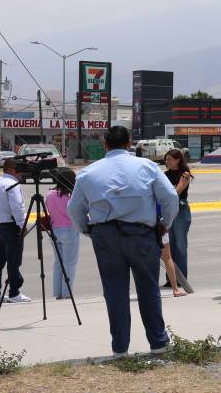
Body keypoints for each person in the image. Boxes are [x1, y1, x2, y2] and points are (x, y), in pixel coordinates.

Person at [67, 126, 178, 355]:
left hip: (105, 236)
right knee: (148, 289)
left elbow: (74, 209)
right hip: (141, 234)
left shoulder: (88, 172)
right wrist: (164, 222)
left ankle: (119, 348)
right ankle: (158, 343)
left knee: (115, 292)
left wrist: (88, 230)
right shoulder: (147, 166)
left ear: (105, 144)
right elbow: (170, 197)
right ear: (129, 143)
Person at [0, 159, 30, 304]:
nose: (21, 172)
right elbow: (18, 207)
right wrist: (22, 226)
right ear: (12, 169)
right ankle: (14, 293)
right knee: (14, 261)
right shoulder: (12, 184)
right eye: (19, 169)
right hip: (10, 227)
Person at [44, 168, 78, 300]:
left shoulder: (50, 194)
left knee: (58, 262)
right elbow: (74, 212)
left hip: (54, 230)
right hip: (69, 229)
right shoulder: (71, 195)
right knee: (70, 263)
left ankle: (58, 292)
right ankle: (67, 292)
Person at [162, 149, 193, 284]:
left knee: (180, 245)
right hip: (168, 210)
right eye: (166, 159)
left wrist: (165, 195)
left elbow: (177, 191)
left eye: (170, 159)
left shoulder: (185, 174)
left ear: (178, 160)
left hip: (180, 210)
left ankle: (181, 279)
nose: (167, 161)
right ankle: (171, 279)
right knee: (169, 245)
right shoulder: (164, 175)